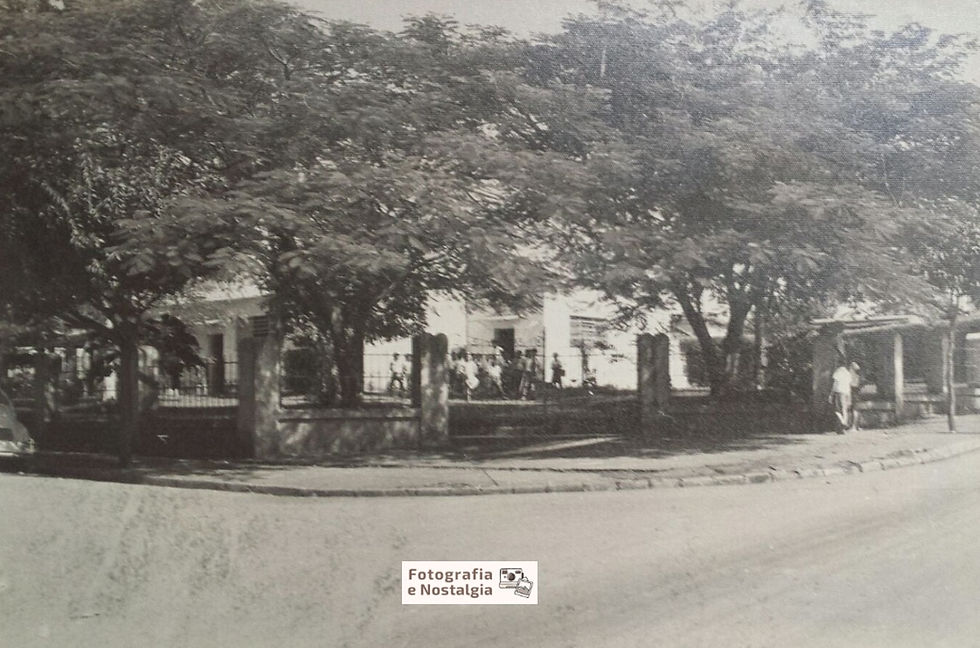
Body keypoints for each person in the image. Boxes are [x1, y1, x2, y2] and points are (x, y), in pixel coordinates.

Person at [829, 360, 852, 434]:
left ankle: (843, 422)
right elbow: (849, 385)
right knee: (844, 410)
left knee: (837, 410)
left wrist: (831, 394)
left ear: (838, 364)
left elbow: (835, 384)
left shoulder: (837, 372)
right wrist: (849, 396)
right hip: (846, 392)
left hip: (839, 392)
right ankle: (841, 428)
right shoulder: (848, 373)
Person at [848, 361, 861, 431]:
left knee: (853, 410)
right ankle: (856, 426)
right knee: (856, 410)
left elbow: (849, 385)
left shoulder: (850, 375)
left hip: (852, 392)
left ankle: (853, 426)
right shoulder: (857, 376)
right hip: (856, 392)